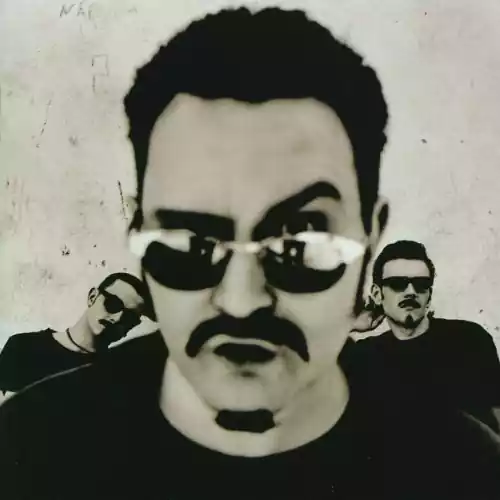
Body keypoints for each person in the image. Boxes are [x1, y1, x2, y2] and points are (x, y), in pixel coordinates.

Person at [0, 8, 499, 500]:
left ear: (371, 235)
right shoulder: (34, 451)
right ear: (138, 228)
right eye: (193, 240)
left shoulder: (464, 472)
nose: (242, 301)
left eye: (301, 241)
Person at [345, 240, 500, 432]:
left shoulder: (469, 340)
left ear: (429, 294)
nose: (411, 292)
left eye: (420, 284)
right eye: (398, 284)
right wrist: (349, 326)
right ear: (377, 294)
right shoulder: (363, 356)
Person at [0, 272, 152, 397]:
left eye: (129, 318)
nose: (117, 318)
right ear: (92, 297)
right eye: (113, 304)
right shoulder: (23, 347)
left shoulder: (117, 378)